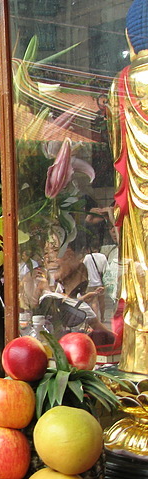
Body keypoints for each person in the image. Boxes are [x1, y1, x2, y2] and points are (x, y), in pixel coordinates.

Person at [107, 0, 148, 372]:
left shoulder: (122, 83)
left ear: (130, 40)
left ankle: (139, 366)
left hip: (138, 203)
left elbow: (114, 148)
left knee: (140, 284)